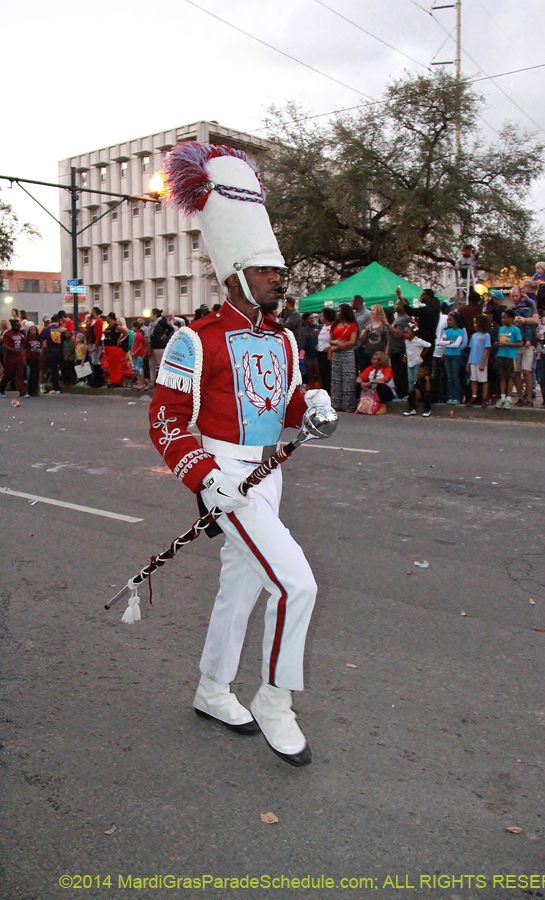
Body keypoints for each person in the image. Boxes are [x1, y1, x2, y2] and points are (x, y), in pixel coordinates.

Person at [149, 141, 333, 767]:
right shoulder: (192, 340)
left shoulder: (282, 338)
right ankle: (276, 701)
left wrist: (309, 407)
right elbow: (167, 420)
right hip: (226, 475)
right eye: (267, 272)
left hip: (267, 470)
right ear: (235, 275)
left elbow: (277, 406)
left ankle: (211, 688)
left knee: (244, 587)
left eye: (279, 273)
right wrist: (203, 478)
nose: (279, 281)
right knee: (296, 584)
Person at [512, 284, 540, 408]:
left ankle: (529, 398)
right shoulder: (511, 309)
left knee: (527, 371)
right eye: (512, 296)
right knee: (516, 372)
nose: (515, 298)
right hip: (516, 343)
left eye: (516, 295)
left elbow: (535, 320)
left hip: (528, 343)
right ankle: (520, 397)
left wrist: (523, 320)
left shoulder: (530, 305)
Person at [330, 304, 358, 412]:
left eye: (339, 311)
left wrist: (342, 345)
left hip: (348, 352)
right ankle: (336, 403)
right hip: (337, 352)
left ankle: (348, 405)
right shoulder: (335, 324)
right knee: (336, 379)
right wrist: (337, 343)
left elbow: (353, 341)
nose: (337, 313)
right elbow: (331, 340)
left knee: (348, 378)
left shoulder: (352, 325)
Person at [495, 309, 523, 408]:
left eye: (505, 318)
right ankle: (502, 396)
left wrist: (508, 344)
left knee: (510, 377)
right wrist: (498, 344)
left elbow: (520, 343)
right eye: (502, 318)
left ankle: (509, 397)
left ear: (511, 319)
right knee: (502, 376)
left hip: (510, 355)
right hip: (501, 354)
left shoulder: (515, 330)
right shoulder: (501, 329)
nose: (503, 320)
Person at [356, 350, 395, 414]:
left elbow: (384, 380)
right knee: (357, 385)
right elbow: (359, 378)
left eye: (375, 360)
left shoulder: (387, 369)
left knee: (381, 386)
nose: (373, 361)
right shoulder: (370, 368)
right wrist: (362, 384)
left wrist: (370, 382)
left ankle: (383, 406)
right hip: (373, 392)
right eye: (373, 359)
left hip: (387, 392)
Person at [466, 314, 491, 408]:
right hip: (473, 361)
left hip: (481, 362)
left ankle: (484, 398)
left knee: (483, 380)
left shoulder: (486, 335)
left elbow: (487, 349)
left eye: (476, 323)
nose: (474, 325)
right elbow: (471, 350)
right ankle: (474, 396)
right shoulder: (473, 336)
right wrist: (468, 363)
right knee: (474, 380)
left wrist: (483, 363)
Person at [0, 319, 28, 398]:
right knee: (8, 374)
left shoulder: (20, 334)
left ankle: (22, 392)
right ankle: (1, 389)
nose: (18, 327)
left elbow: (23, 345)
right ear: (12, 325)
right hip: (9, 357)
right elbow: (4, 345)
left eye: (19, 325)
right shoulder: (7, 334)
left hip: (18, 357)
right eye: (16, 325)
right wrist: (13, 350)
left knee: (20, 374)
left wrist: (23, 355)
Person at [440, 312, 463, 404]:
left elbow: (457, 344)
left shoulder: (460, 331)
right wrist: (450, 343)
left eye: (450, 319)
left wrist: (447, 343)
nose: (448, 321)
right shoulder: (447, 331)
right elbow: (440, 342)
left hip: (456, 356)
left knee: (455, 376)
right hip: (448, 355)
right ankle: (450, 396)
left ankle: (456, 396)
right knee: (449, 377)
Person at [149, 309, 174, 387]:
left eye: (151, 314)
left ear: (155, 315)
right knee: (151, 365)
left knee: (161, 364)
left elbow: (171, 328)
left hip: (159, 346)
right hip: (152, 345)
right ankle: (152, 382)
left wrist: (164, 335)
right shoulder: (152, 324)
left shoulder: (161, 322)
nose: (150, 316)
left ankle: (163, 382)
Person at [40, 314, 64, 393]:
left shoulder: (46, 329)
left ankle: (56, 387)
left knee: (53, 370)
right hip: (61, 351)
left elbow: (42, 340)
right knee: (62, 368)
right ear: (58, 321)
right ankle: (64, 382)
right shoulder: (61, 329)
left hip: (51, 350)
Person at [404, 323, 431, 394]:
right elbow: (407, 349)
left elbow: (428, 345)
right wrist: (405, 356)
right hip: (409, 362)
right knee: (410, 379)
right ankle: (410, 393)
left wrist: (422, 354)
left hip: (417, 362)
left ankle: (416, 393)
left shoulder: (418, 341)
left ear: (413, 333)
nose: (405, 334)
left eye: (407, 333)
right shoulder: (406, 341)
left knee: (416, 379)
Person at [316, 308, 336, 394]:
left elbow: (335, 339)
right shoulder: (323, 326)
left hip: (328, 353)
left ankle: (330, 393)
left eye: (322, 315)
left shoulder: (333, 327)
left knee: (328, 375)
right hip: (320, 352)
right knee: (322, 374)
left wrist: (328, 347)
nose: (321, 317)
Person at [87, 306, 105, 388]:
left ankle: (99, 380)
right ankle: (95, 380)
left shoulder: (98, 321)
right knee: (93, 361)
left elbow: (98, 334)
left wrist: (96, 345)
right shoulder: (92, 321)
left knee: (96, 361)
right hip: (92, 342)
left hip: (96, 343)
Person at [24, 325, 42, 396]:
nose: (32, 331)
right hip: (29, 357)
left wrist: (40, 352)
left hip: (37, 357)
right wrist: (24, 358)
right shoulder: (27, 339)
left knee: (36, 373)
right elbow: (23, 348)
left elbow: (41, 347)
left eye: (34, 329)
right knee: (32, 373)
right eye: (31, 329)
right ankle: (30, 390)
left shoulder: (38, 339)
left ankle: (35, 389)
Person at [131, 321, 146, 389]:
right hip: (136, 353)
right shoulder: (136, 334)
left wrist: (134, 352)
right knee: (137, 369)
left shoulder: (140, 335)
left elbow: (140, 346)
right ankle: (139, 382)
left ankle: (141, 383)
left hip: (139, 354)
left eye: (133, 327)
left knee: (140, 369)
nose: (132, 328)